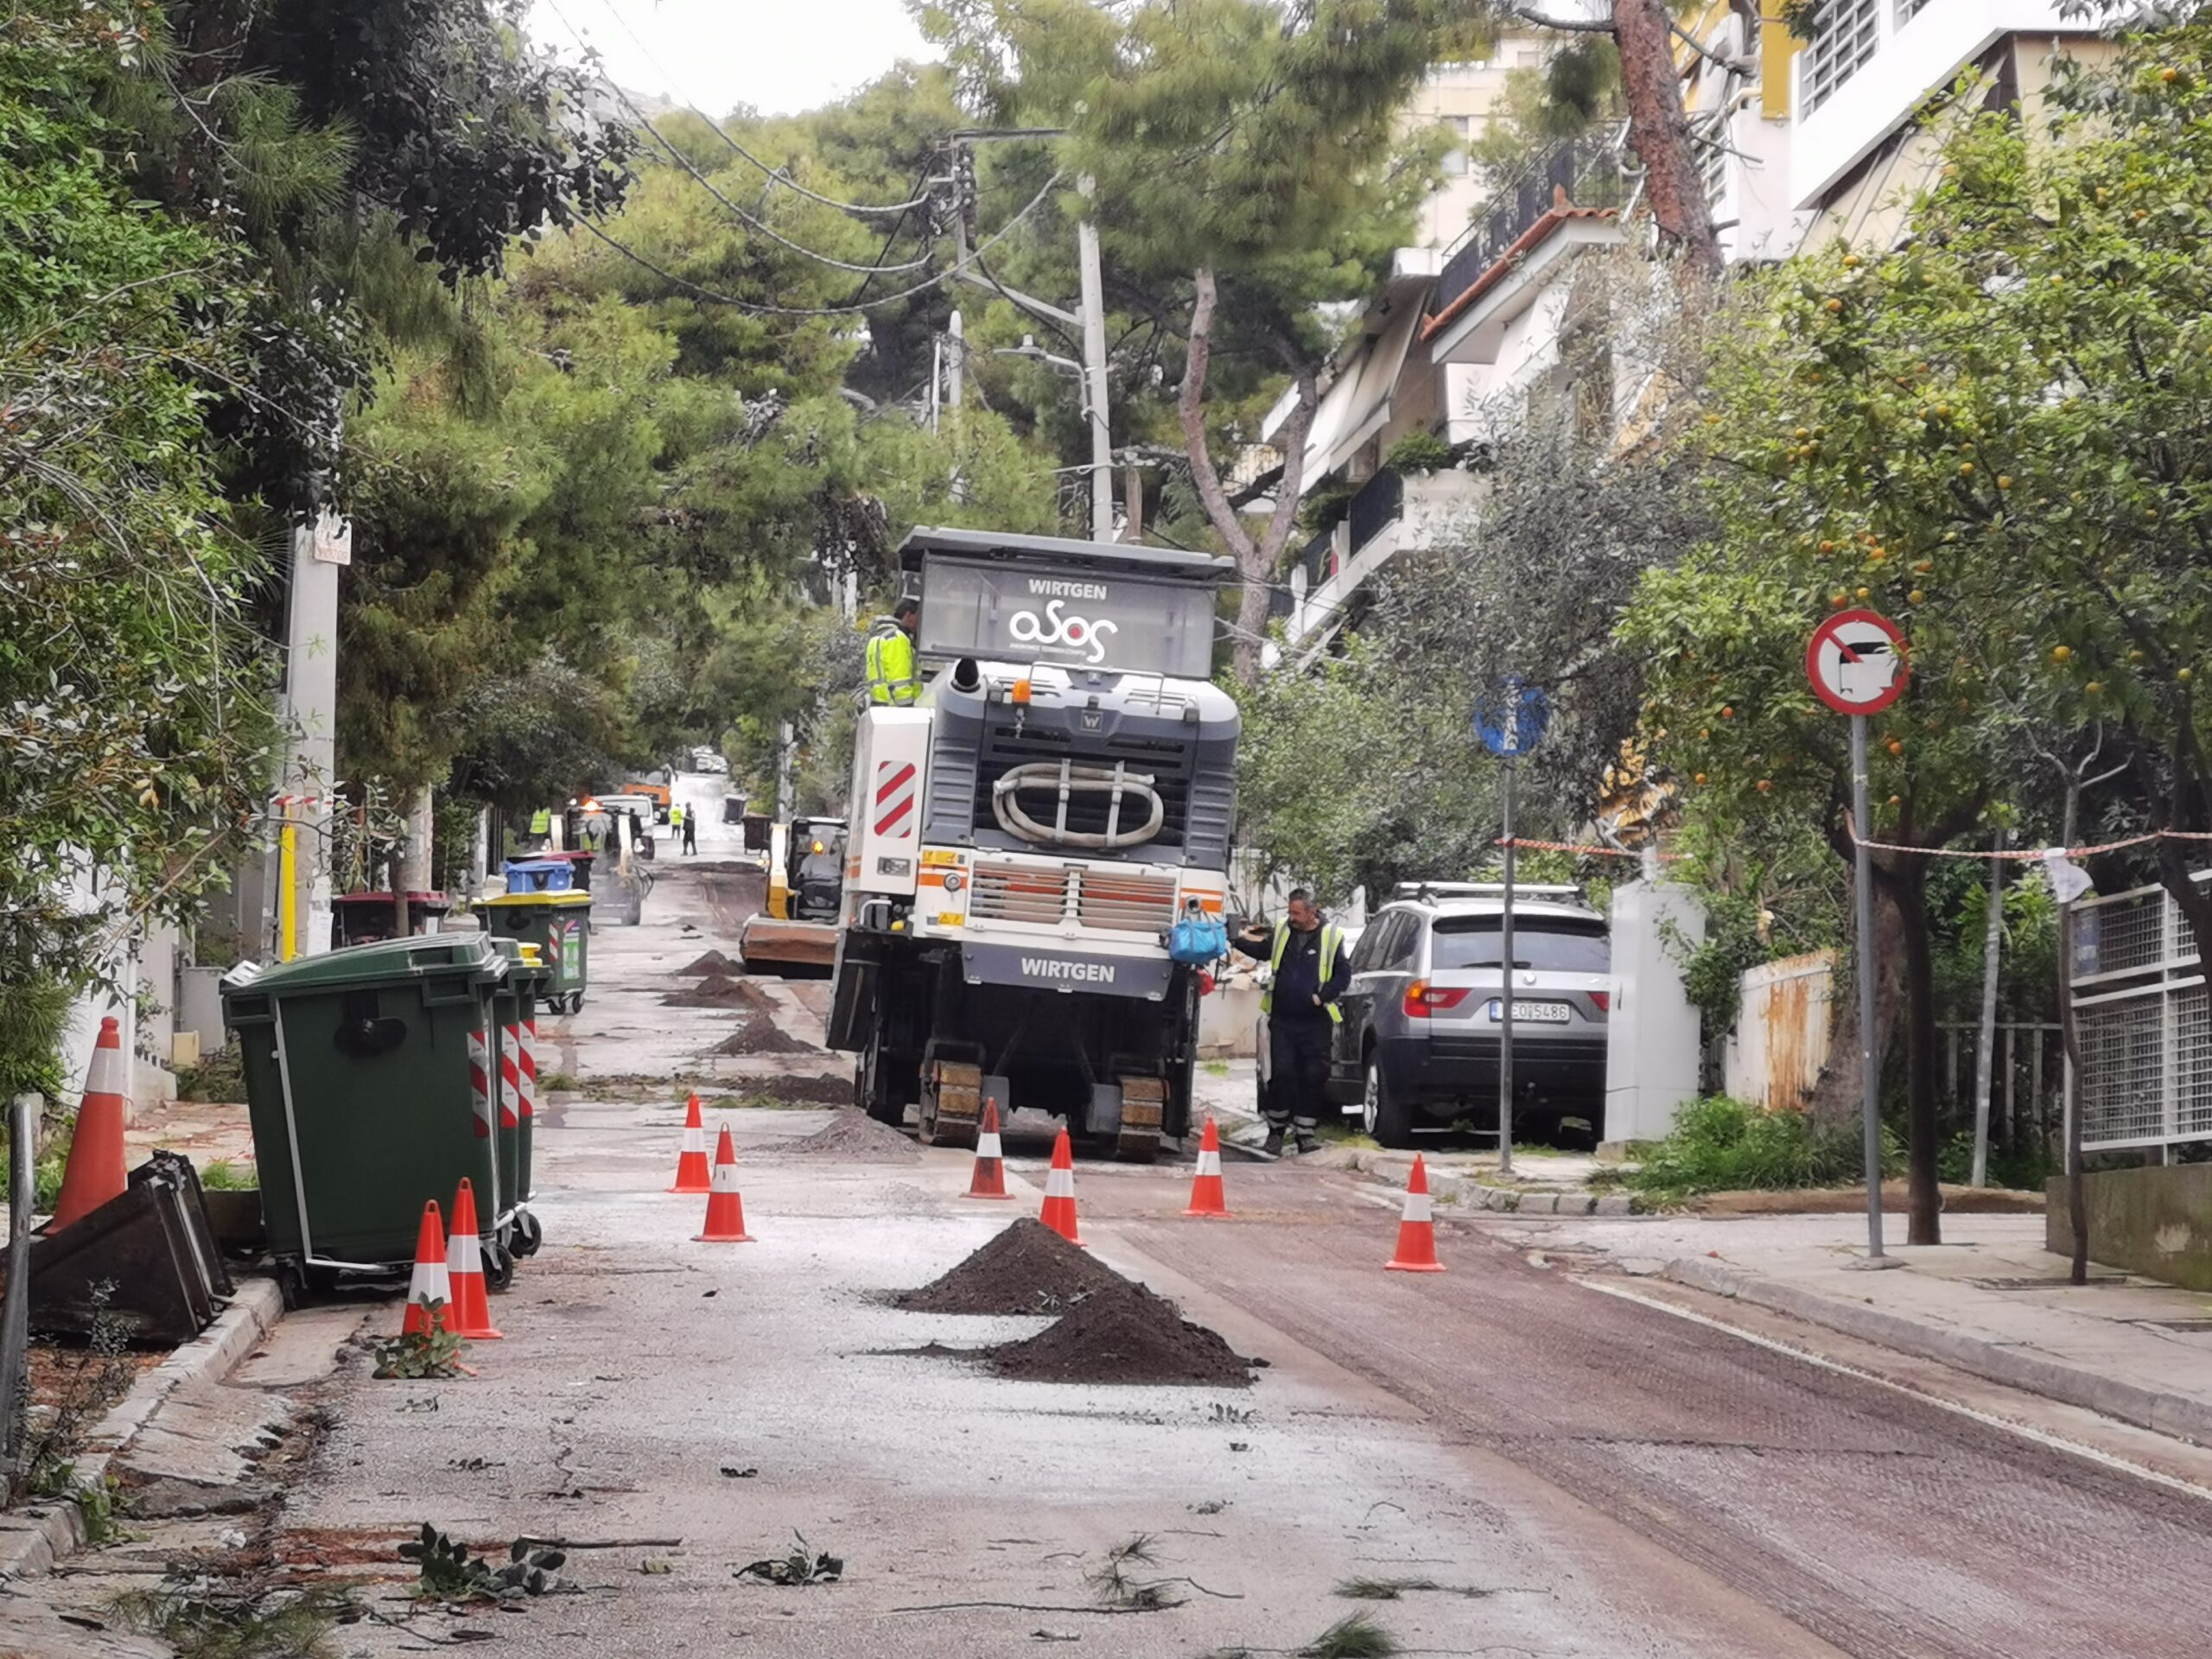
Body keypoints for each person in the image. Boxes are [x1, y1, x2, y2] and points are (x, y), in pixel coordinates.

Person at [1234, 890, 1349, 1157]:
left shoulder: (1332, 937)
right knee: (1283, 1075)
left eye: (1297, 913)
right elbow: (1263, 951)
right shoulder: (1284, 931)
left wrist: (1322, 997)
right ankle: (1275, 1134)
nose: (1291, 917)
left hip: (1315, 1021)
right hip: (1284, 1020)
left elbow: (1344, 974)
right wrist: (1236, 940)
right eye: (1290, 912)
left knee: (1313, 1076)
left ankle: (1305, 1136)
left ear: (1312, 912)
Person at [866, 597, 921, 705]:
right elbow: (900, 680)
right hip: (897, 710)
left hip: (880, 706)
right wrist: (908, 707)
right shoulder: (897, 639)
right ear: (909, 615)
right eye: (919, 616)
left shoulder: (878, 637)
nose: (920, 622)